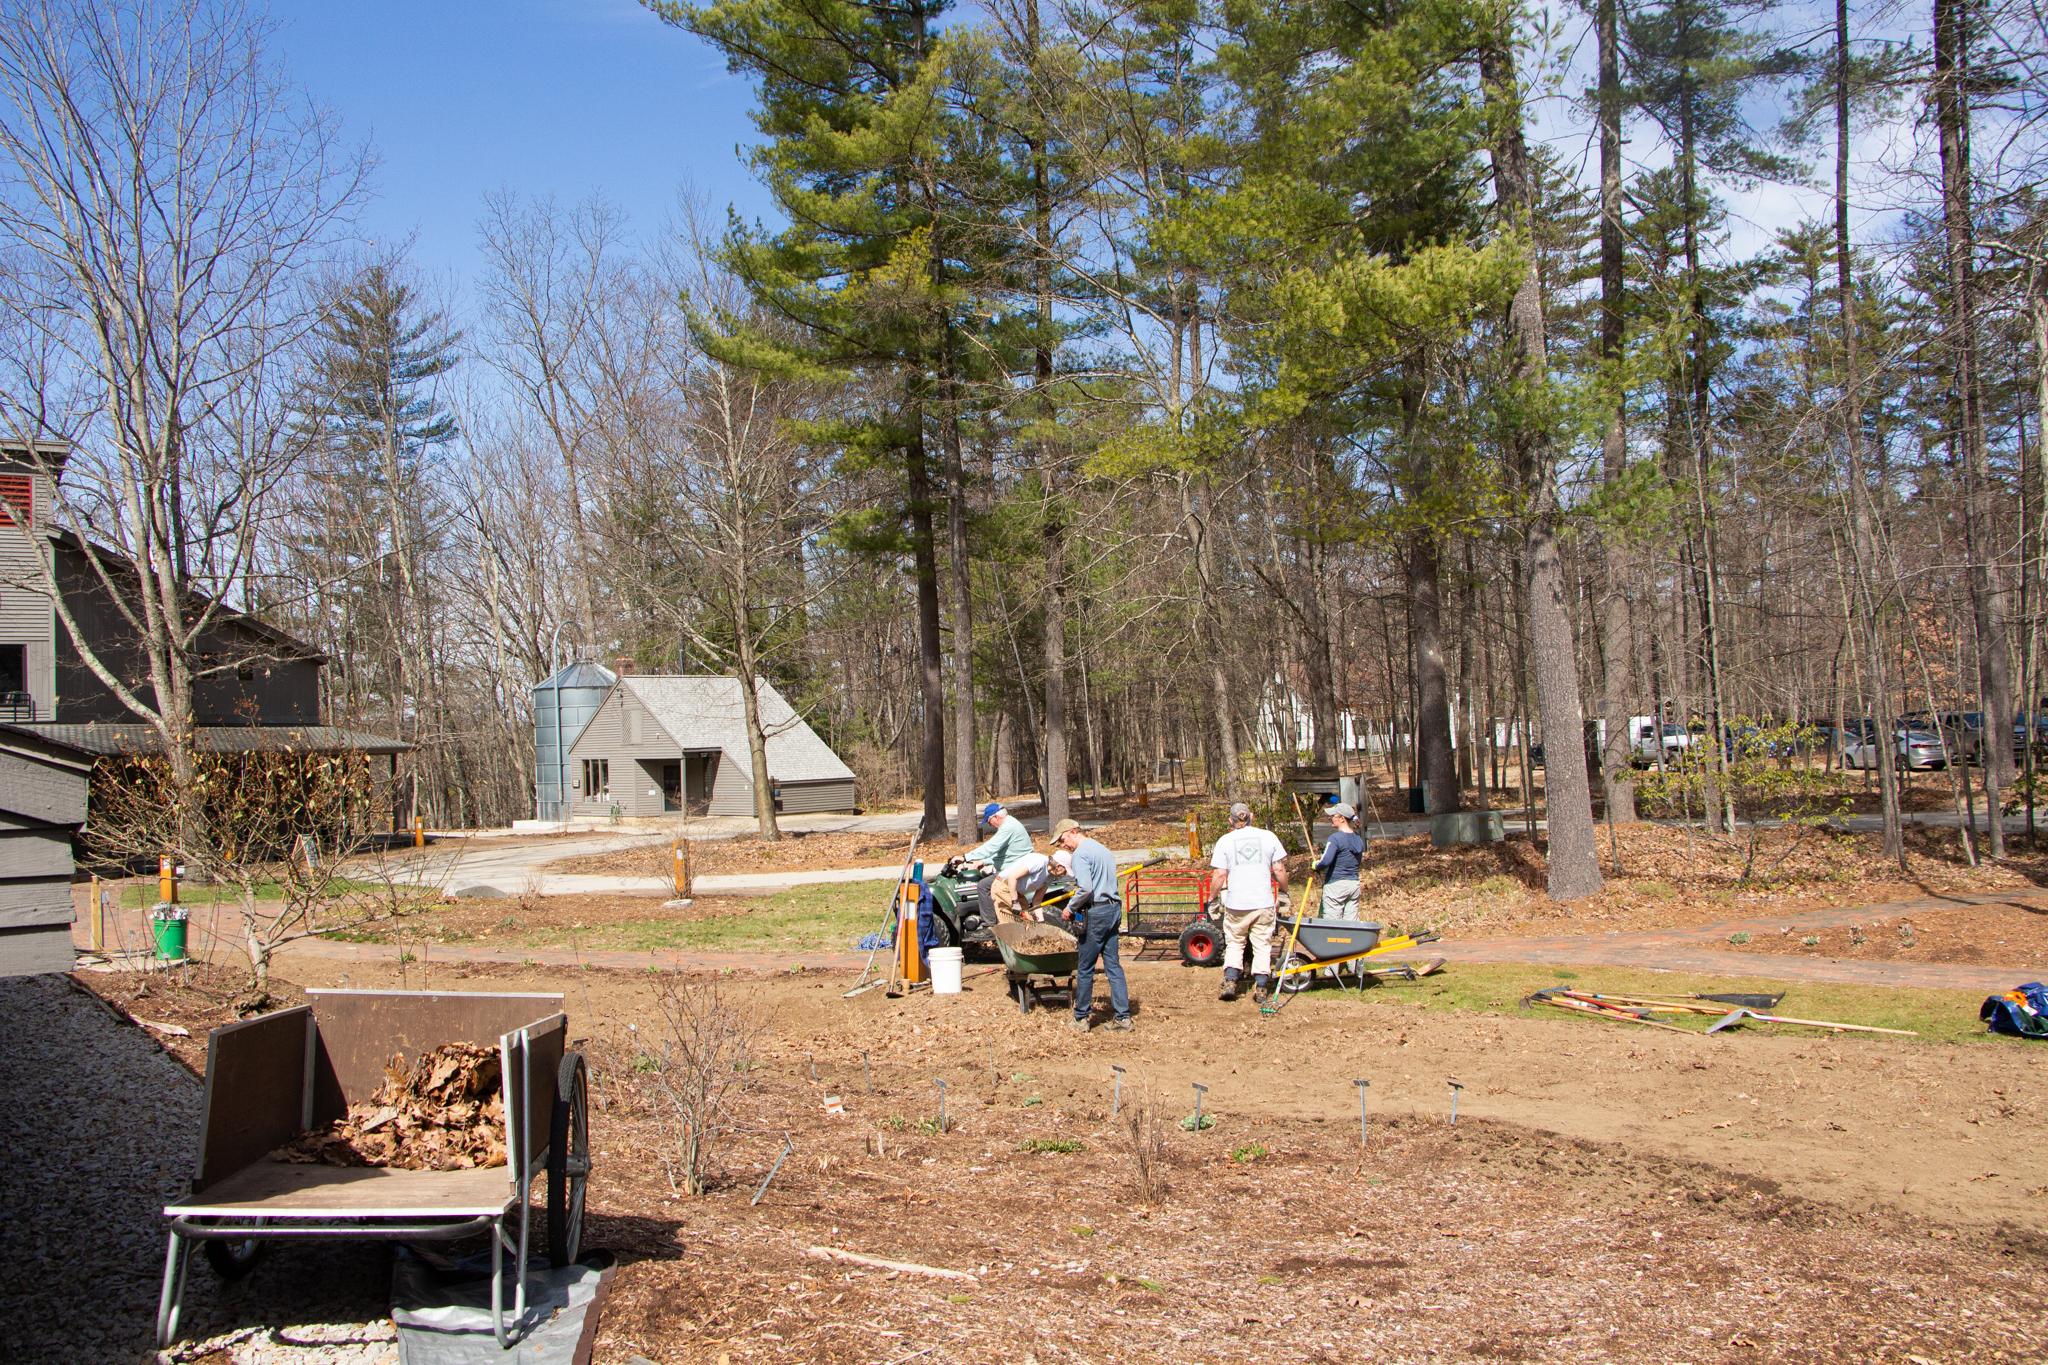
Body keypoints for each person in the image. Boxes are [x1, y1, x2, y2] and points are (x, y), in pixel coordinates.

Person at [1050, 818, 1132, 1033]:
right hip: (1113, 909)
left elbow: (1085, 888)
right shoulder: (1102, 849)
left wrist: (1069, 908)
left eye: (1062, 839)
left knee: (1085, 967)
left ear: (1073, 831)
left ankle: (1081, 1018)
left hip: (1096, 912)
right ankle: (1123, 1018)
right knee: (1113, 965)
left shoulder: (1080, 855)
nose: (1062, 845)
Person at [1209, 801, 1289, 1004]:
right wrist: (1284, 893)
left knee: (1235, 942)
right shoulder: (1268, 837)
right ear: (1251, 816)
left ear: (1231, 820)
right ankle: (1261, 985)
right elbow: (1279, 869)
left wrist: (1212, 898)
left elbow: (1219, 874)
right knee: (1262, 944)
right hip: (1263, 902)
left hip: (1237, 903)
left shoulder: (1225, 841)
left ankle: (1230, 981)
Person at [962, 801, 1034, 918]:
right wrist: (984, 861)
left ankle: (989, 925)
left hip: (1014, 869)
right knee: (986, 877)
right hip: (1014, 865)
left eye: (989, 822)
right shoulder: (1010, 823)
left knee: (983, 886)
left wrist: (965, 857)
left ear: (996, 817)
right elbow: (1006, 853)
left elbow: (991, 847)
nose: (990, 825)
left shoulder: (1008, 827)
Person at [1314, 802, 1365, 920]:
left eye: (1333, 816)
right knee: (1351, 925)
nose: (1330, 818)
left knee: (1333, 924)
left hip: (1336, 887)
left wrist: (1316, 865)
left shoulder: (1335, 838)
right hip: (1353, 885)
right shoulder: (1358, 838)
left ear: (1342, 819)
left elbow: (1326, 861)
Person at [996, 848, 1055, 922]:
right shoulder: (1040, 862)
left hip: (1018, 892)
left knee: (1029, 922)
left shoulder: (1051, 876)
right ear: (1059, 866)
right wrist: (1015, 902)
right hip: (1004, 886)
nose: (1063, 875)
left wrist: (1041, 920)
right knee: (1009, 923)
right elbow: (1012, 877)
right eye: (1065, 872)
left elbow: (1037, 900)